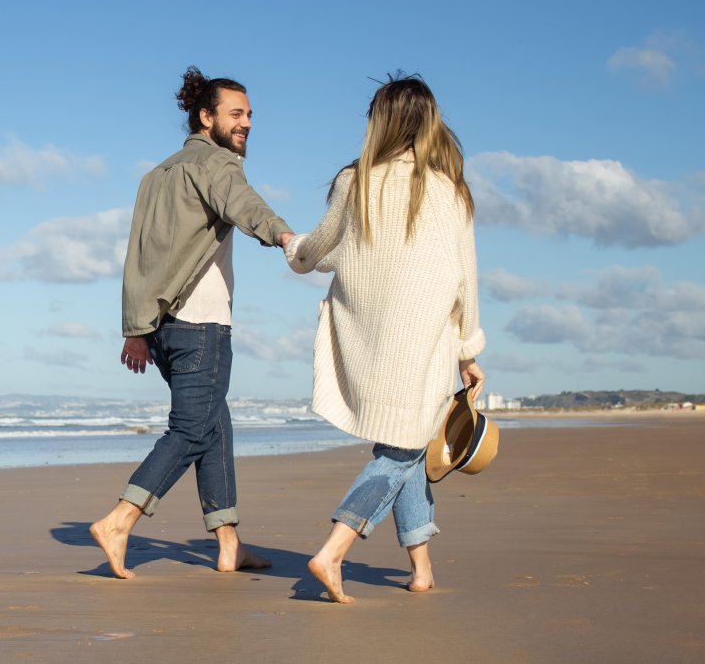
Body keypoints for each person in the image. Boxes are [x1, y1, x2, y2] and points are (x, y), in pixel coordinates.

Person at [284, 74, 486, 603]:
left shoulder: (354, 181)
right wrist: (468, 350)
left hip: (370, 335)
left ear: (380, 123)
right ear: (430, 123)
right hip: (425, 340)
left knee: (406, 441)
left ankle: (421, 567)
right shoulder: (451, 191)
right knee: (403, 447)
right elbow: (465, 279)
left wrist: (293, 248)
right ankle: (333, 551)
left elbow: (320, 250)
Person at [90, 66, 294, 580]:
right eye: (236, 113)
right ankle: (119, 520)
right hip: (202, 325)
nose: (247, 123)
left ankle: (229, 544)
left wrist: (136, 329)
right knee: (190, 429)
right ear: (206, 117)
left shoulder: (155, 175)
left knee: (213, 427)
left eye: (250, 115)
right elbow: (245, 205)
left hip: (163, 328)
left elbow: (138, 257)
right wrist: (285, 236)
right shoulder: (217, 163)